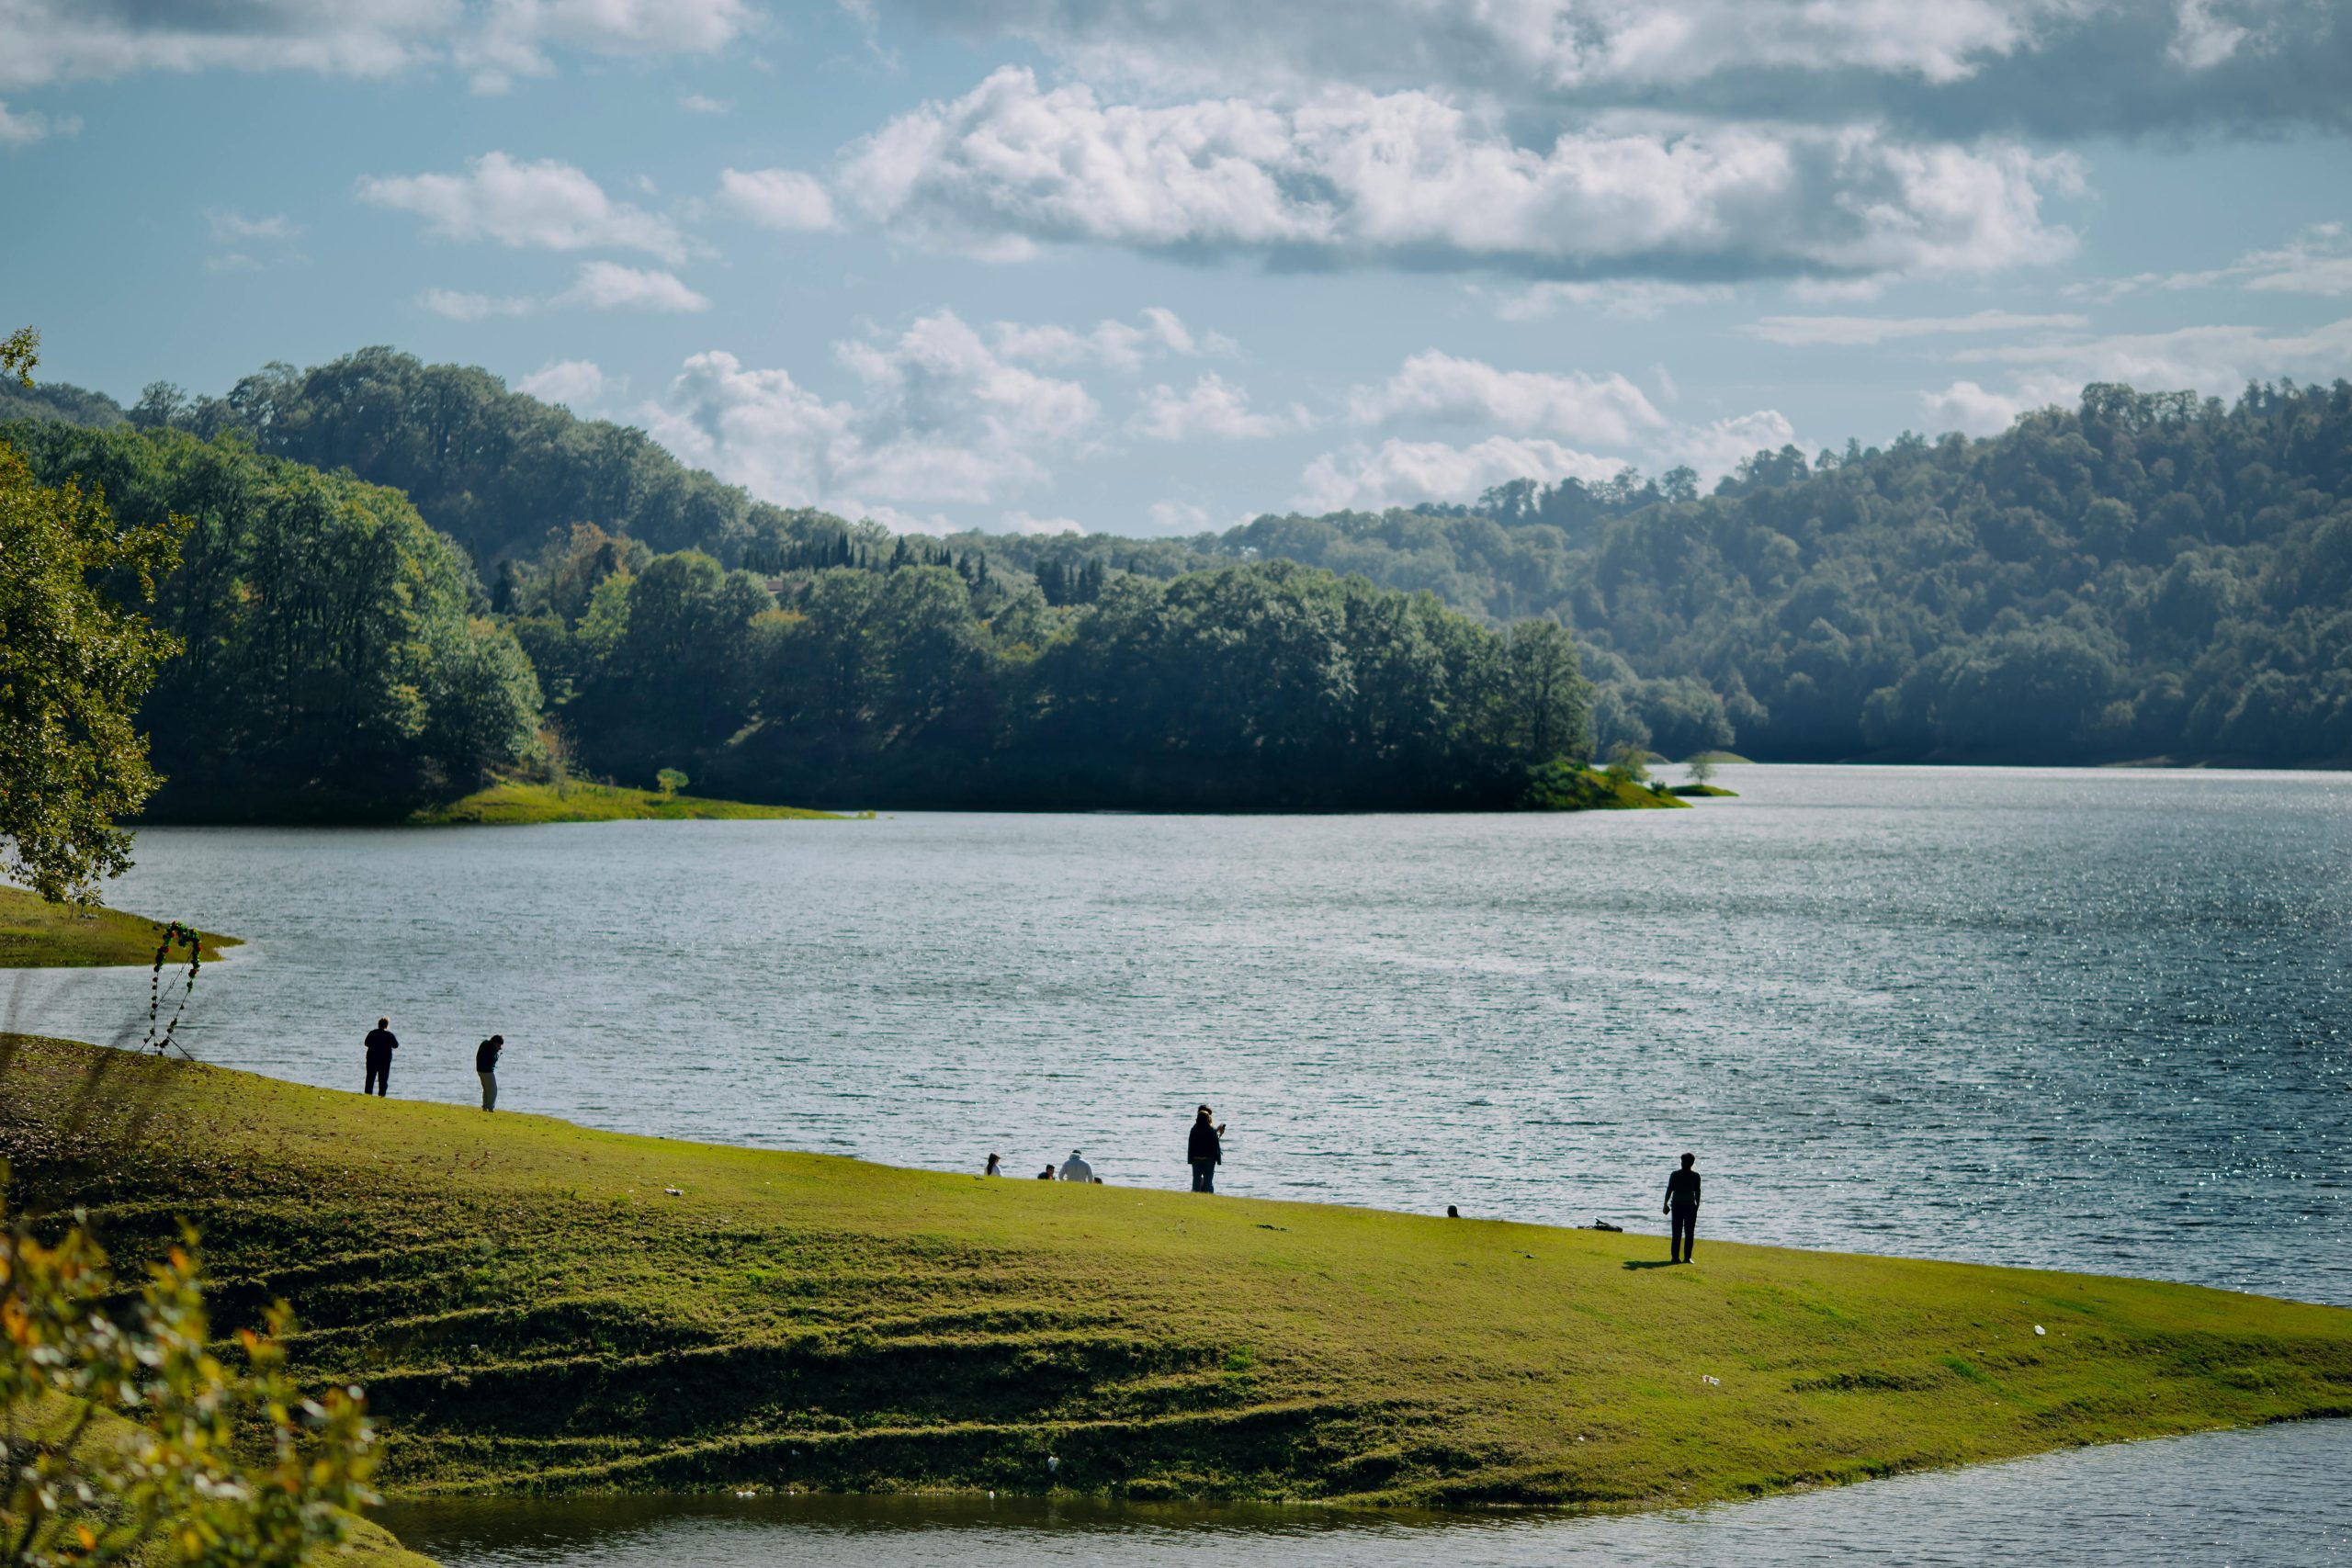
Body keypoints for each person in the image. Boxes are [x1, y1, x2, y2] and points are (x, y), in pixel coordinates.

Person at [1664, 1152, 1702, 1263]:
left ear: (1691, 1163)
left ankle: (1687, 1257)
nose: (1682, 1164)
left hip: (1690, 1207)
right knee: (1676, 1233)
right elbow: (1669, 1189)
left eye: (1685, 1162)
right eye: (1682, 1161)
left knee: (1689, 1233)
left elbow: (1698, 1191)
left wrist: (1697, 1205)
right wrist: (1665, 1203)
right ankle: (1675, 1257)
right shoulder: (1675, 1174)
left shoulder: (1696, 1176)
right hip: (1677, 1206)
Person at [1188, 1105, 1226, 1193]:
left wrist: (1190, 1159)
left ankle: (1195, 1199)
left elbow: (1191, 1145)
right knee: (1208, 1184)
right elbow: (1214, 1145)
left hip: (1196, 1159)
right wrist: (1218, 1160)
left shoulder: (1194, 1129)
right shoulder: (1211, 1130)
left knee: (1196, 1183)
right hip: (1209, 1159)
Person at [362, 1018, 398, 1097]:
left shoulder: (372, 1033)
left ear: (378, 1024)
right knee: (383, 1080)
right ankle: (381, 1096)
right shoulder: (389, 1035)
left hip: (372, 1058)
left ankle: (368, 1095)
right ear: (387, 1025)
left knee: (370, 1078)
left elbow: (366, 1043)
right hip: (384, 1060)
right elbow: (396, 1045)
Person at [475, 1033, 503, 1111]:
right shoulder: (492, 1047)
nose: (500, 1048)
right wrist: (498, 1055)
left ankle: (485, 1106)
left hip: (480, 1070)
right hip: (487, 1071)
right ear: (496, 1043)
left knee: (486, 1090)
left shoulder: (485, 1043)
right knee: (493, 1090)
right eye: (499, 1045)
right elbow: (493, 1060)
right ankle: (490, 1108)